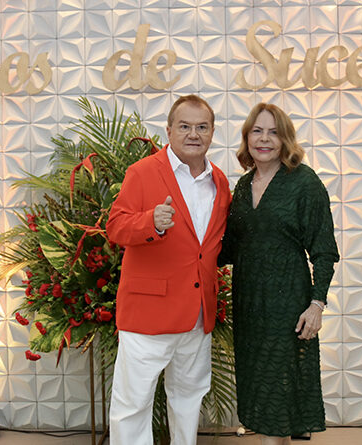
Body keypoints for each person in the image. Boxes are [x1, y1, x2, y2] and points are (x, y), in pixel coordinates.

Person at [106, 95, 232, 445]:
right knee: (133, 404)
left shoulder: (219, 181)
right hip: (148, 313)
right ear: (169, 130)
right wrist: (151, 222)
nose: (194, 134)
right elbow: (115, 227)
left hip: (197, 314)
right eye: (185, 126)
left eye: (202, 127)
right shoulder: (143, 172)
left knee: (189, 398)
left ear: (212, 132)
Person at [219, 103, 339, 445]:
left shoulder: (304, 182)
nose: (264, 139)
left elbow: (324, 251)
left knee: (277, 394)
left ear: (286, 139)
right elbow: (227, 249)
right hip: (249, 307)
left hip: (288, 306)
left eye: (273, 132)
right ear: (247, 138)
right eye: (257, 131)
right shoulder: (243, 186)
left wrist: (317, 305)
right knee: (266, 396)